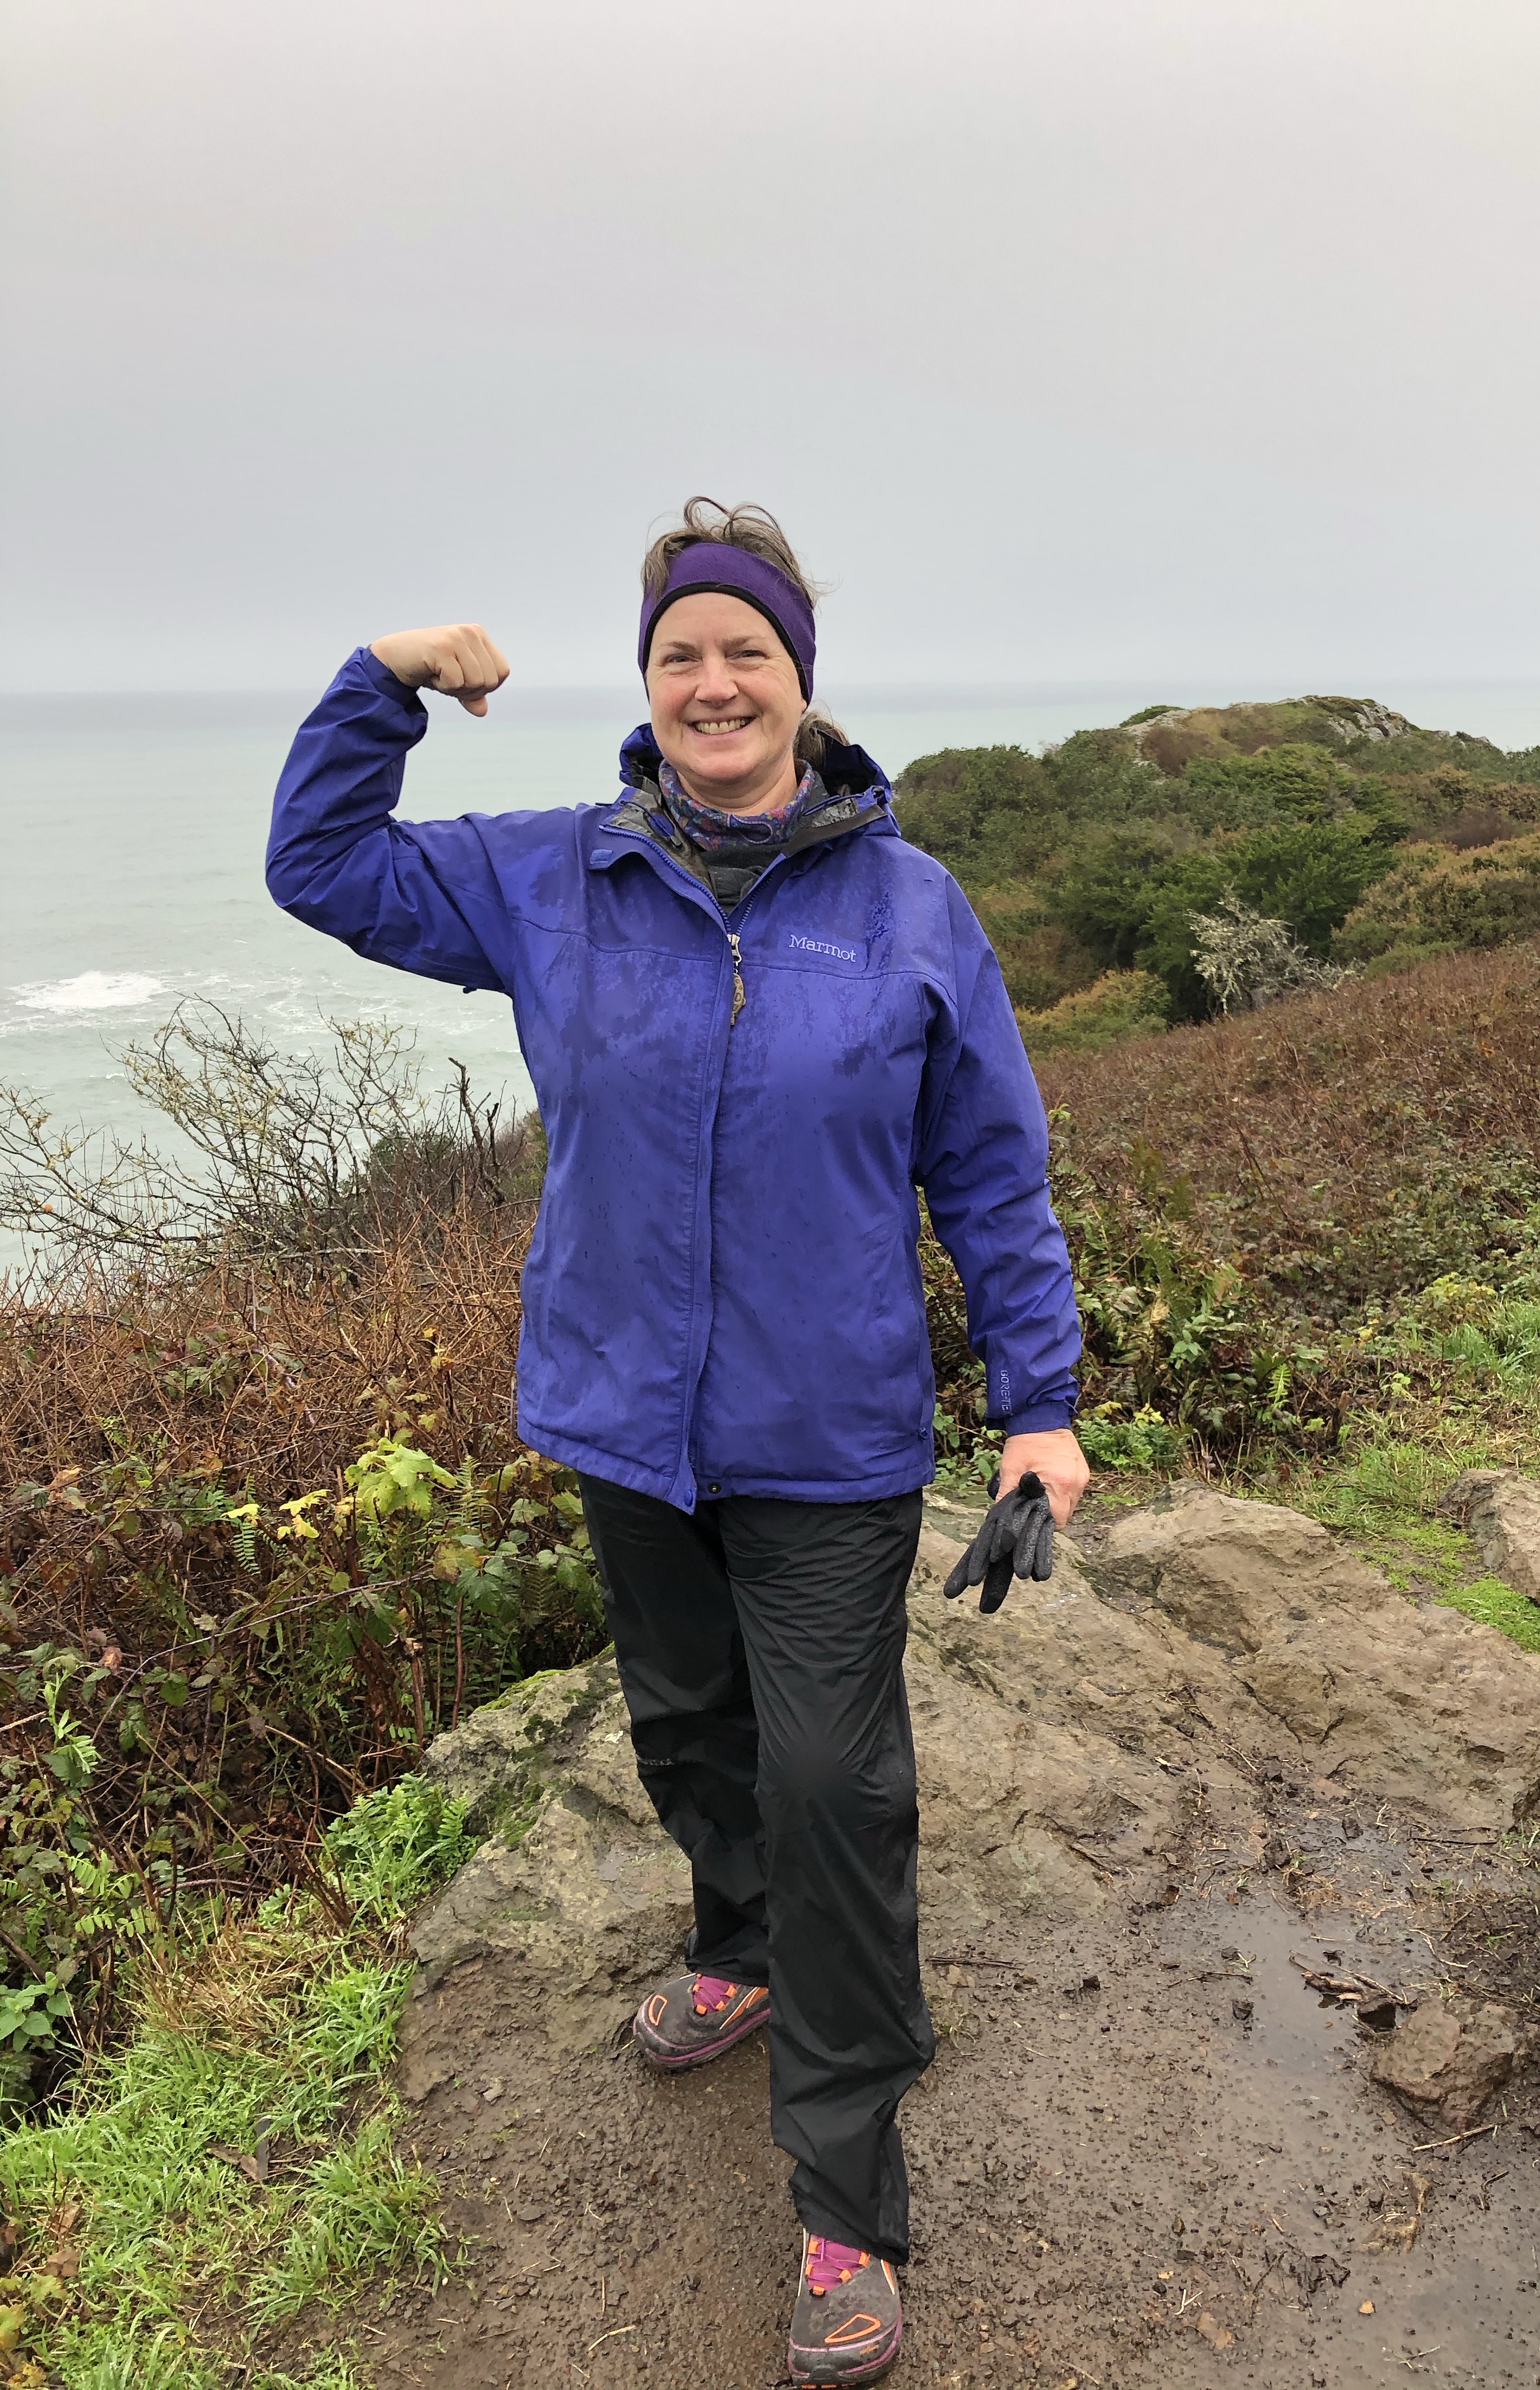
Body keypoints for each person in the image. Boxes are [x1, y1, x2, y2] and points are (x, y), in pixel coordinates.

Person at [267, 498, 1088, 2386]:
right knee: (691, 1728)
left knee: (836, 1786)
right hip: (626, 1415)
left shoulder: (912, 909)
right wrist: (384, 680)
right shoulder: (556, 877)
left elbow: (990, 1169)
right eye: (679, 655)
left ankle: (845, 2193)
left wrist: (1037, 1404)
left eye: (747, 653)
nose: (714, 684)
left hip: (829, 1435)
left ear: (802, 680)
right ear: (646, 685)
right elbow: (320, 865)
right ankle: (738, 1944)